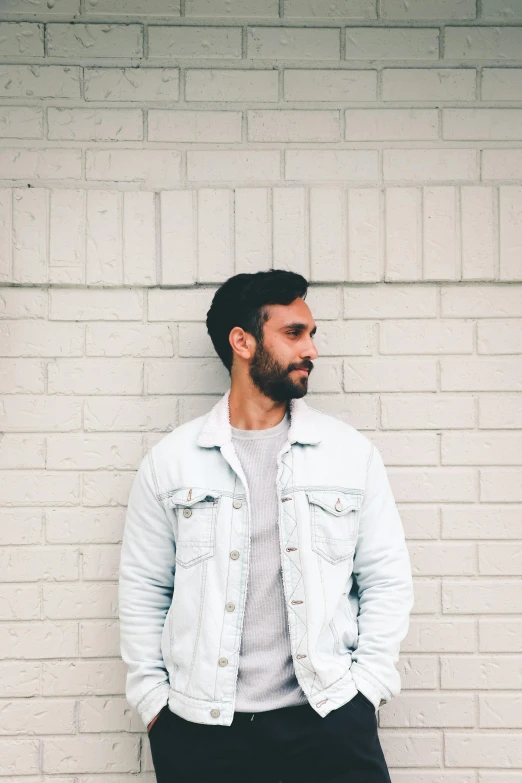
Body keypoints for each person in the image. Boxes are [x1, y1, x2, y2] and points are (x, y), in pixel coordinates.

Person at [118, 269, 414, 783]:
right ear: (243, 342)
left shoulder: (348, 456)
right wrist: (154, 707)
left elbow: (386, 579)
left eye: (311, 334)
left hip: (327, 720)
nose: (312, 350)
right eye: (294, 333)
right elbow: (144, 591)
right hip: (201, 730)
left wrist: (365, 691)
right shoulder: (171, 463)